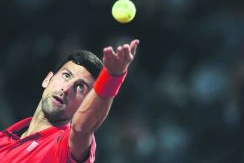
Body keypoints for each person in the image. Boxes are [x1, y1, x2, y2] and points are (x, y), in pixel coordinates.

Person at [0, 39, 139, 163]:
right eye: (66, 75)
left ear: (85, 103)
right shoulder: (4, 138)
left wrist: (112, 78)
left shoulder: (65, 147)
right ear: (47, 79)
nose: (66, 89)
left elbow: (81, 128)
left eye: (80, 87)